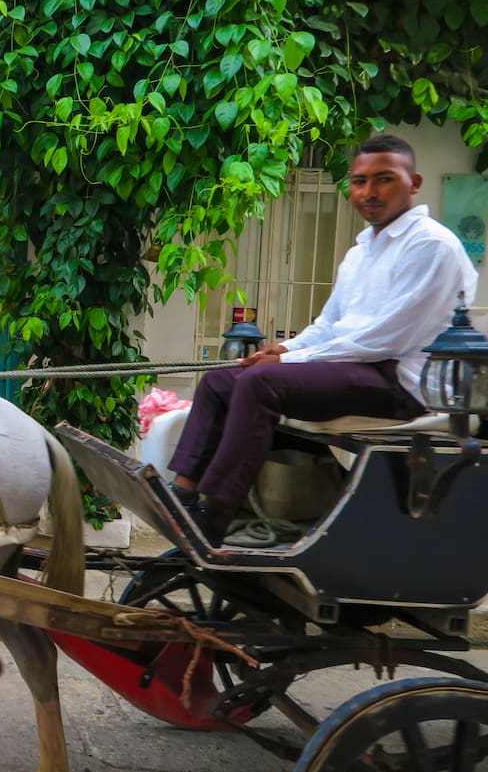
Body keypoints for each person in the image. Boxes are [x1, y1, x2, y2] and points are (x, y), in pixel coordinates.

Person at [169, 134, 479, 546]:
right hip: (358, 367)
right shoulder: (361, 250)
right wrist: (287, 348)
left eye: (384, 179)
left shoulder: (431, 245)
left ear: (414, 182)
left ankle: (215, 513)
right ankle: (182, 496)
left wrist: (290, 363)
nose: (368, 192)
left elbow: (385, 339)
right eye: (359, 181)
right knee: (220, 381)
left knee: (261, 384)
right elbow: (331, 323)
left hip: (401, 383)